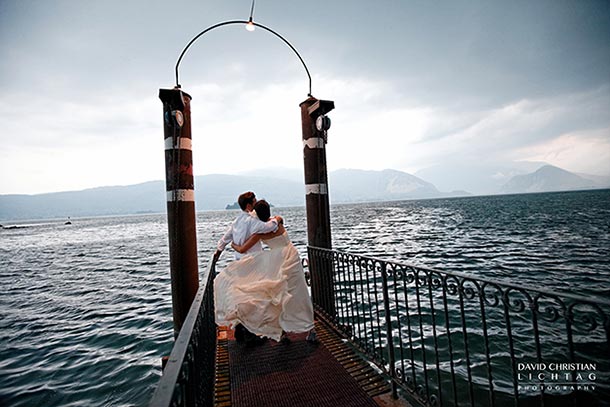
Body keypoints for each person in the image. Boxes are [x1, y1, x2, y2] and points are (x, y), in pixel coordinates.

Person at [214, 200, 316, 343]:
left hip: (278, 261)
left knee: (278, 298)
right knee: (299, 294)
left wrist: (234, 245)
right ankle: (310, 329)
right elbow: (279, 220)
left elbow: (242, 249)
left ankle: (283, 332)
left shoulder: (260, 232)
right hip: (291, 257)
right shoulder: (276, 222)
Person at [214, 191, 279, 344]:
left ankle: (240, 331)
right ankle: (250, 334)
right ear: (249, 205)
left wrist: (218, 252)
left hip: (239, 265)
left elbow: (225, 238)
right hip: (253, 265)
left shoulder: (237, 221)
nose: (256, 204)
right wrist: (277, 219)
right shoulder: (252, 221)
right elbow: (268, 227)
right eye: (254, 202)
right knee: (254, 299)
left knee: (242, 298)